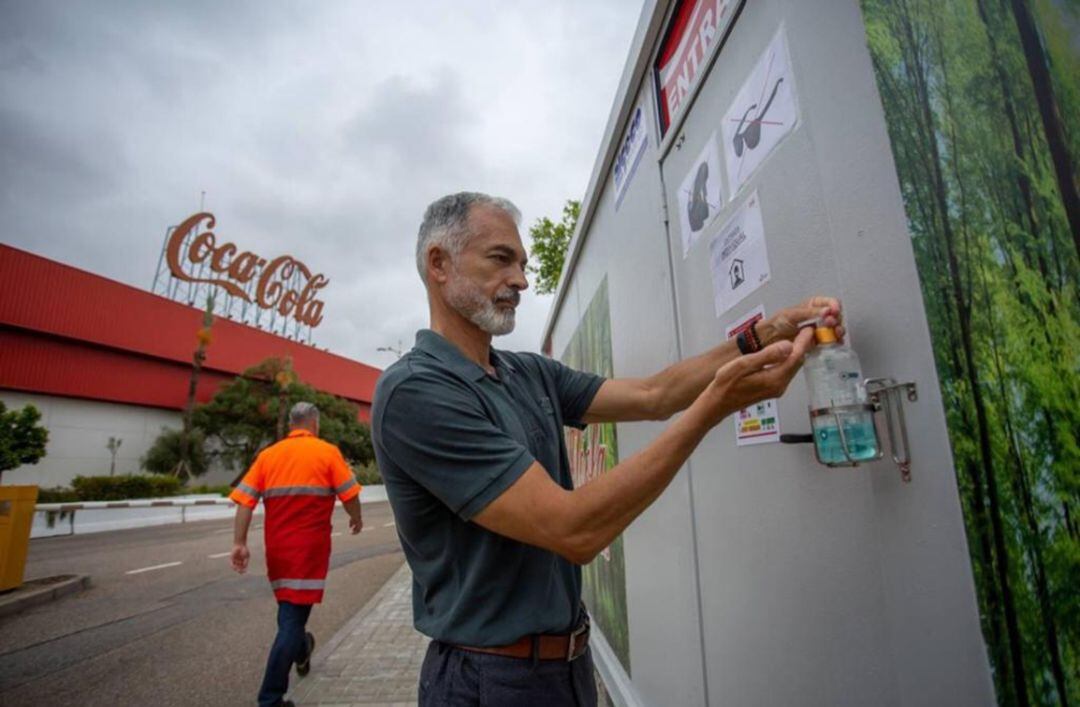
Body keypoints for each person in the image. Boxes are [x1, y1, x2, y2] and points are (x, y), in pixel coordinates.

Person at [371, 192, 843, 706]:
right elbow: (574, 530)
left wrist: (761, 335)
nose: (522, 281)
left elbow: (655, 395)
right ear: (438, 263)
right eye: (501, 259)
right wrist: (715, 408)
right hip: (489, 680)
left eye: (524, 264)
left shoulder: (526, 372)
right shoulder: (417, 392)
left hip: (567, 667)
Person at [230, 402, 364, 707]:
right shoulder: (326, 452)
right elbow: (351, 492)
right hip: (309, 553)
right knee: (291, 620)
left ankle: (302, 648)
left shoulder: (268, 456)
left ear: (292, 424)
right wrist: (355, 518)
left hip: (277, 553)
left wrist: (239, 542)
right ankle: (271, 698)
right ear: (314, 424)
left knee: (290, 612)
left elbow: (244, 501)